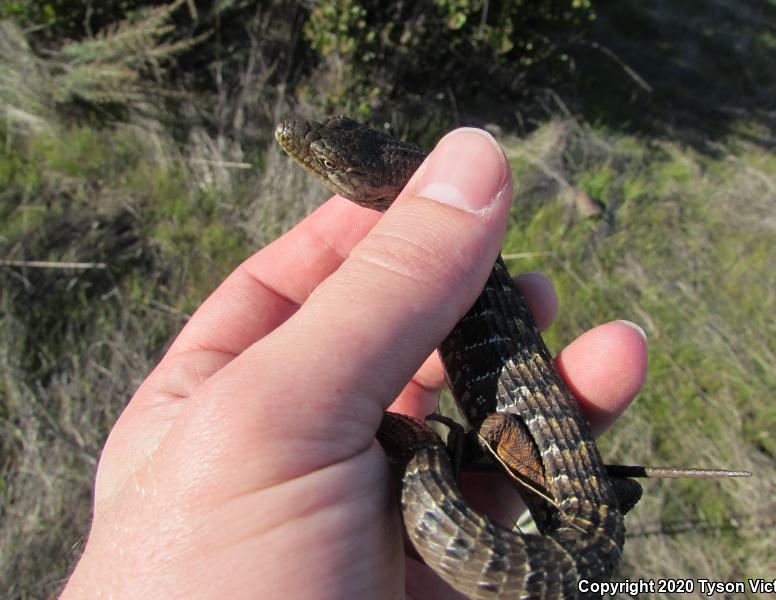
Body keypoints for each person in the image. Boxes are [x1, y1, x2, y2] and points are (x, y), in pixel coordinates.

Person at [62, 128, 647, 598]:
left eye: (327, 164)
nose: (300, 147)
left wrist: (422, 451)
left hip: (574, 545)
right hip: (572, 535)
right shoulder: (402, 198)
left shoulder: (422, 206)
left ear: (375, 189)